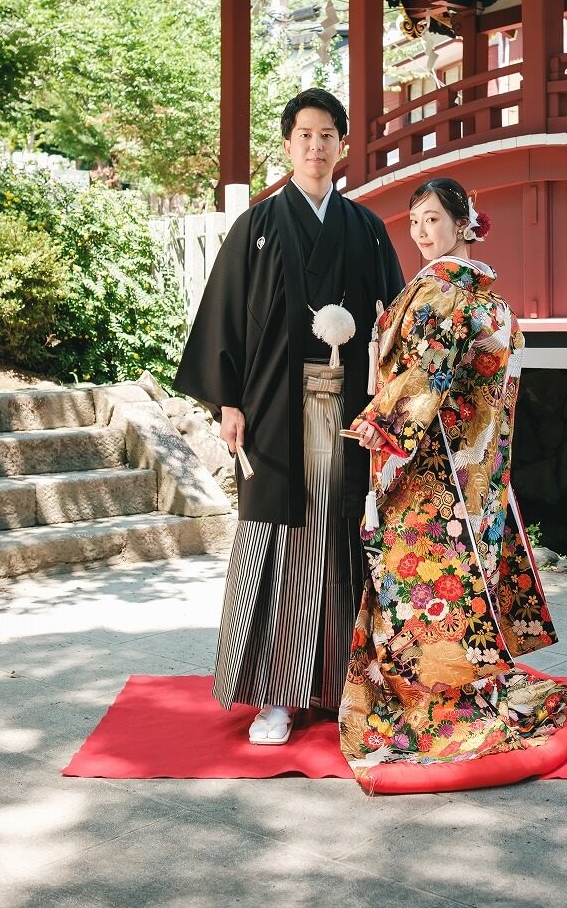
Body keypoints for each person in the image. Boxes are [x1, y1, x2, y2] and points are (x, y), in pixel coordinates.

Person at [342, 177, 567, 788]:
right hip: (475, 467)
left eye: (433, 219)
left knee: (419, 580)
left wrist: (382, 425)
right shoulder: (491, 299)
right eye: (416, 222)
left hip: (428, 467)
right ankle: (467, 679)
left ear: (461, 223)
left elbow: (426, 374)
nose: (423, 232)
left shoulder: (443, 293)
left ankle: (430, 699)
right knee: (459, 582)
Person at [174, 88, 404, 746]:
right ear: (286, 144)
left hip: (349, 411)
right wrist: (227, 400)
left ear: (341, 145)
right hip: (274, 409)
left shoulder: (363, 228)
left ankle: (340, 686)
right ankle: (274, 695)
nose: (315, 145)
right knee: (275, 541)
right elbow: (223, 317)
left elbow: (393, 325)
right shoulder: (258, 226)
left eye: (327, 134)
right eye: (303, 134)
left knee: (342, 539)